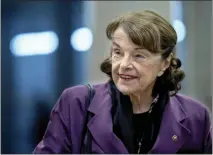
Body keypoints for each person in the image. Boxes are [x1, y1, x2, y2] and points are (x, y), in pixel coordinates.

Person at [33, 10, 212, 154]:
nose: (124, 65)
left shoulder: (196, 117)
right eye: (118, 52)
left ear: (164, 64)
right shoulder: (76, 103)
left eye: (139, 55)